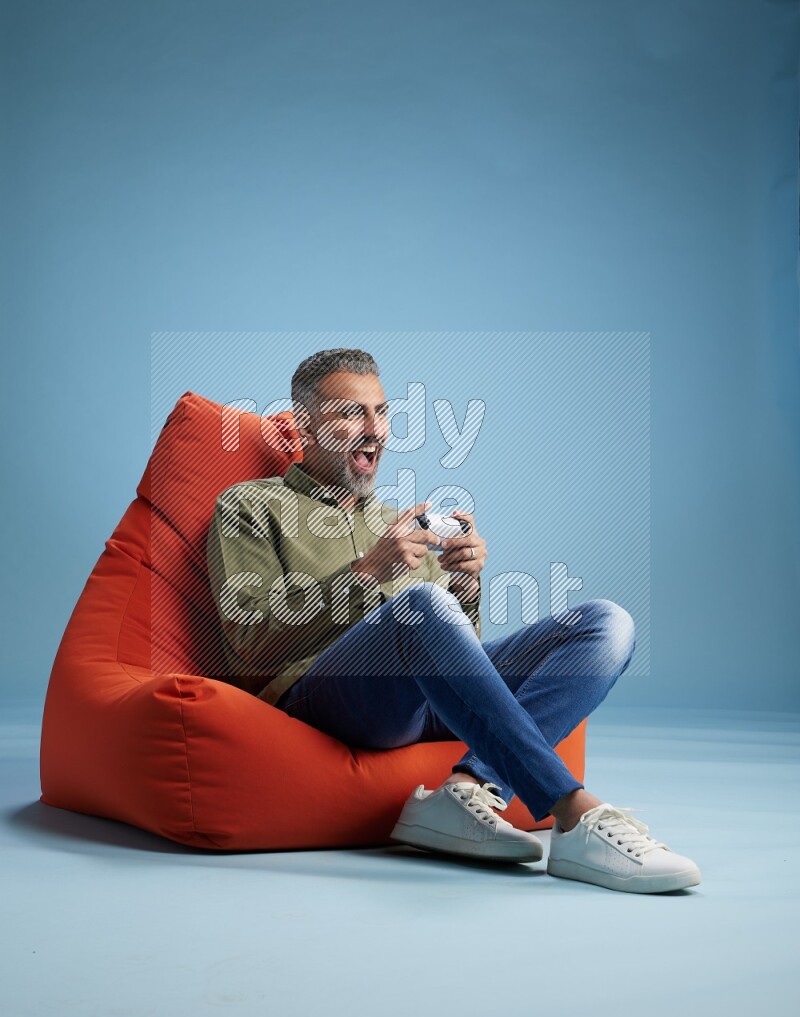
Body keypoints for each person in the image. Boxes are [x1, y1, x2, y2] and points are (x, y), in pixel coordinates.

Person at [206, 348, 701, 894]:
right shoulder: (250, 504)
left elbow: (459, 667)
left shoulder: (399, 522)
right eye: (351, 414)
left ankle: (464, 790)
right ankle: (574, 811)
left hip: (417, 701)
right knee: (421, 606)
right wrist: (368, 573)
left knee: (606, 623)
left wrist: (465, 587)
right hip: (319, 698)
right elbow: (248, 643)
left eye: (382, 412)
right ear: (303, 423)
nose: (374, 431)